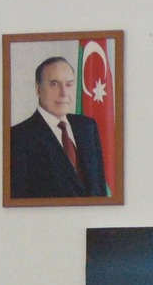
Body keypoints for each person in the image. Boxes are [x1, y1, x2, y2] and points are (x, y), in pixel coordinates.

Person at [8, 56, 108, 199]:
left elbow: (99, 188)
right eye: (54, 84)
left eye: (69, 84)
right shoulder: (18, 137)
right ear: (38, 89)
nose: (63, 93)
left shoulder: (87, 127)